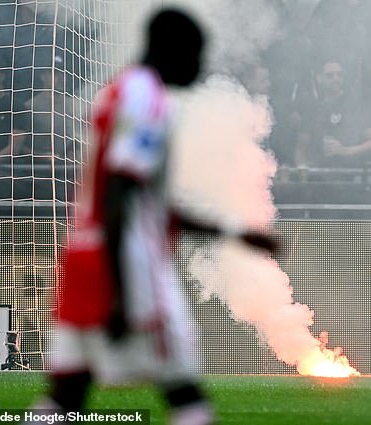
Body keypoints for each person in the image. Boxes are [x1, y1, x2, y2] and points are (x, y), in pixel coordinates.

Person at [31, 8, 276, 425]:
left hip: (84, 256)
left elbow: (138, 197)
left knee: (66, 396)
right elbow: (122, 196)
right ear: (173, 51)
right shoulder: (146, 99)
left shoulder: (119, 91)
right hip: (126, 260)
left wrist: (233, 231)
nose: (200, 65)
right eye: (197, 54)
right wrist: (123, 297)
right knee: (187, 395)